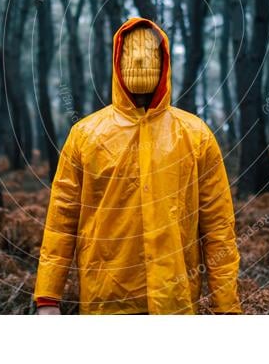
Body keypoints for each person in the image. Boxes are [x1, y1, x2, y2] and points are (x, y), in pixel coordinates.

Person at [33, 17, 242, 315]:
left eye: (150, 52)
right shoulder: (86, 135)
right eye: (132, 52)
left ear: (164, 61)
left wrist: (227, 307)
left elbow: (218, 226)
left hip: (173, 301)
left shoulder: (195, 136)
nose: (142, 59)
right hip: (106, 301)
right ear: (118, 60)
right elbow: (61, 220)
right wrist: (48, 297)